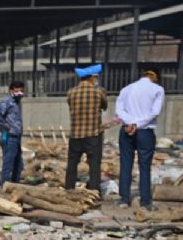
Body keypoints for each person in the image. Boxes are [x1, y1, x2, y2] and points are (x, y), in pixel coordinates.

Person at [116, 69, 164, 209]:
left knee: (125, 164)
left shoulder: (127, 89)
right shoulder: (157, 89)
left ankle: (124, 199)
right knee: (144, 166)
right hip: (145, 131)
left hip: (126, 130)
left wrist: (130, 123)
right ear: (154, 76)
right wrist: (137, 124)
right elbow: (155, 112)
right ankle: (145, 201)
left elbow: (119, 110)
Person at [65, 64, 107, 193]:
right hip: (93, 134)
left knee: (72, 164)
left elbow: (70, 104)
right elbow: (104, 106)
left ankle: (69, 189)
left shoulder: (71, 92)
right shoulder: (99, 91)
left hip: (76, 134)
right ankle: (94, 191)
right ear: (92, 78)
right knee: (94, 165)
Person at [0, 81, 25, 185]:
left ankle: (15, 184)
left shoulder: (17, 102)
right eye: (16, 91)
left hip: (16, 137)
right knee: (8, 163)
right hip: (10, 137)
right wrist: (5, 125)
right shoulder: (7, 102)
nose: (19, 93)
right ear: (11, 91)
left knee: (18, 164)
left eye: (21, 91)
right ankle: (5, 185)